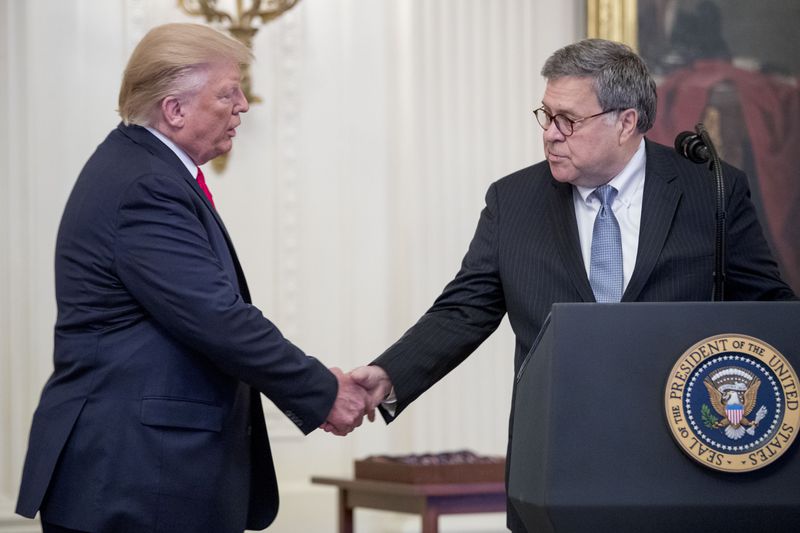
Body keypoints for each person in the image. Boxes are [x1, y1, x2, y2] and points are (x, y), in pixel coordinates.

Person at [345, 38, 797, 532]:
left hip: (684, 455)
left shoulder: (709, 190)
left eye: (569, 120)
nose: (551, 135)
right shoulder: (514, 201)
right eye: (546, 115)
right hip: (558, 461)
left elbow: (771, 308)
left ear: (625, 122)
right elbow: (463, 310)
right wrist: (389, 374)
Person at [15, 23, 367, 533]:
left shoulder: (143, 169)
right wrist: (321, 390)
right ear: (175, 110)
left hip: (139, 476)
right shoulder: (145, 185)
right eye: (228, 92)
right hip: (133, 480)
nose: (244, 105)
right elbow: (217, 317)